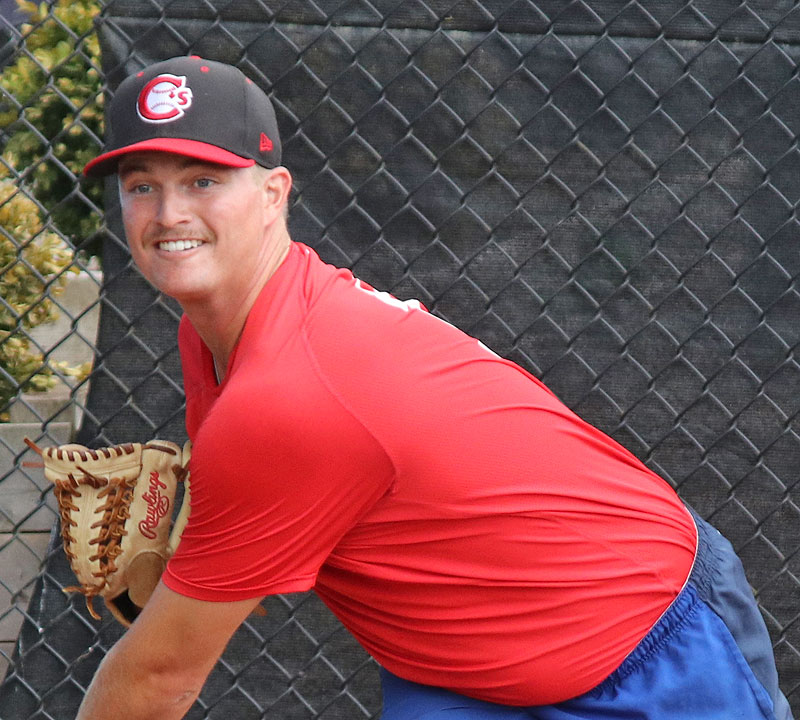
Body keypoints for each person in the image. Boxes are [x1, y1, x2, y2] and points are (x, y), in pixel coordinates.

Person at [75, 55, 793, 720]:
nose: (169, 216)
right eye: (143, 186)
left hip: (639, 639)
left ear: (273, 194)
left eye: (202, 181)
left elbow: (159, 679)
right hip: (463, 658)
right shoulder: (224, 330)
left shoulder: (287, 390)